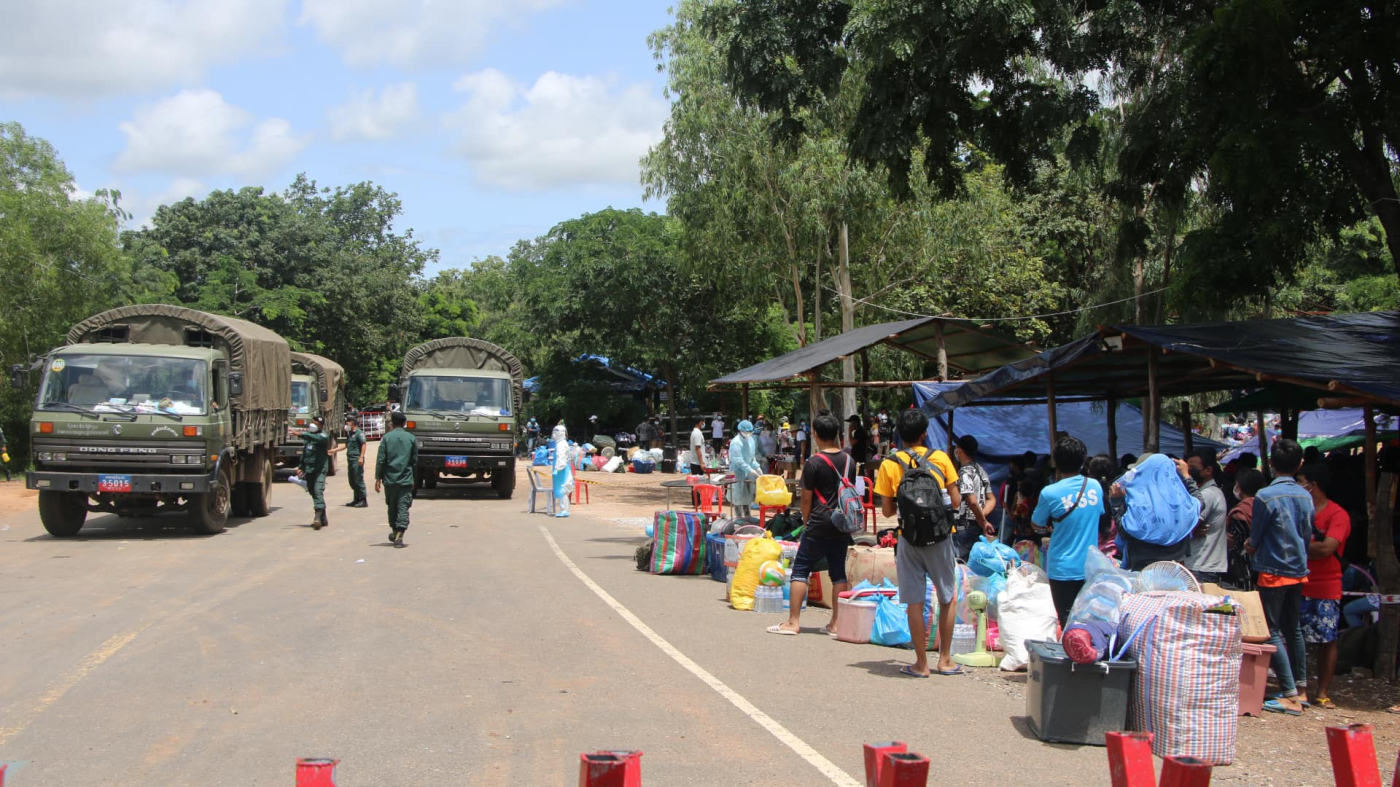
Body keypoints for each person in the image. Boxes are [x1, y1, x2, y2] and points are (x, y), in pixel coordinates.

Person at [874, 408, 964, 677]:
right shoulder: (940, 459)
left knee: (914, 601)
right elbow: (956, 501)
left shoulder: (889, 464)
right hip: (941, 536)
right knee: (947, 597)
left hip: (908, 540)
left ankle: (921, 664)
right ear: (925, 433)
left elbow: (888, 512)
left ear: (900, 435)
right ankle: (945, 660)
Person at [767, 413, 856, 636]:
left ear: (815, 434)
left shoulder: (814, 463)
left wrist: (806, 521)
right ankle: (836, 623)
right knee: (838, 574)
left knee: (800, 570)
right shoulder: (849, 461)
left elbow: (805, 498)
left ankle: (793, 622)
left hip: (818, 522)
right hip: (842, 523)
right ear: (837, 434)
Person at [1248, 439, 1313, 715]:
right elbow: (1307, 533)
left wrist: (1249, 547)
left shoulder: (1264, 496)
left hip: (1273, 570)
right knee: (1292, 628)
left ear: (1270, 464)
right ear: (1300, 465)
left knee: (1272, 630)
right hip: (1298, 569)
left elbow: (1256, 536)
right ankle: (1301, 688)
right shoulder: (1306, 495)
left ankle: (1289, 694)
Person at [1032, 436, 1107, 625]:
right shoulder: (1095, 486)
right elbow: (1099, 514)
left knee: (1067, 621)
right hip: (1090, 566)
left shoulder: (1049, 492)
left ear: (1055, 462)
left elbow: (1036, 523)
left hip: (1061, 568)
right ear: (1083, 461)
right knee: (1089, 620)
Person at [1298, 462, 1350, 710]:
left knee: (1327, 640)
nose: (1298, 486)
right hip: (1298, 584)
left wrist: (1294, 544)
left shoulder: (1338, 514)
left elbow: (1327, 548)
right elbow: (1319, 549)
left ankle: (1322, 692)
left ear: (1312, 484)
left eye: (1300, 481)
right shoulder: (1299, 511)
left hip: (1326, 586)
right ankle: (1299, 690)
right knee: (1294, 638)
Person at [1185, 449, 1229, 583]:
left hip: (1201, 566)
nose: (1188, 473)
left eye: (1192, 468)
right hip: (1203, 566)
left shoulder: (1207, 494)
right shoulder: (1212, 492)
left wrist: (1190, 531)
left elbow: (1186, 527)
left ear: (1208, 470)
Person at [375, 411, 418, 546]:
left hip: (390, 479)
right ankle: (399, 533)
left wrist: (378, 478)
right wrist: (414, 479)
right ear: (404, 423)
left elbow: (381, 460)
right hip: (405, 479)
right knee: (403, 506)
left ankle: (394, 530)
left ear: (392, 423)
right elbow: (414, 461)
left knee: (392, 506)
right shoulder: (411, 438)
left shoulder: (387, 438)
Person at [952, 435, 996, 561]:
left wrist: (981, 519)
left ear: (959, 450)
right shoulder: (981, 471)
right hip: (976, 526)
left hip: (963, 527)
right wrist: (981, 516)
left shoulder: (964, 472)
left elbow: (971, 500)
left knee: (961, 565)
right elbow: (991, 499)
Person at [1224, 468, 1265, 590]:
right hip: (1263, 564)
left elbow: (1234, 543)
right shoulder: (1264, 505)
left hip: (1244, 567)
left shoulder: (1239, 512)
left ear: (1240, 486)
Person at [296, 415, 336, 530]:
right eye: (312, 422)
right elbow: (305, 452)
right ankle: (323, 516)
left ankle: (317, 517)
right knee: (313, 491)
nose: (312, 425)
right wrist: (300, 466)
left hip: (320, 469)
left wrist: (301, 434)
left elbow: (320, 440)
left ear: (321, 426)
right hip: (309, 469)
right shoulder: (309, 437)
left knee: (318, 490)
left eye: (316, 423)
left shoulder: (323, 435)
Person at [728, 420, 761, 518]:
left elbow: (751, 457)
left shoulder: (751, 440)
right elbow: (738, 459)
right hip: (737, 470)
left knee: (747, 493)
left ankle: (747, 515)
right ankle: (738, 517)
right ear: (741, 431)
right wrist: (749, 469)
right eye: (747, 432)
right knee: (738, 494)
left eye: (750, 432)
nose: (748, 434)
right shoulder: (736, 442)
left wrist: (756, 466)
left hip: (748, 470)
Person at [342, 417, 368, 507]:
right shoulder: (350, 434)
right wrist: (333, 450)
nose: (346, 425)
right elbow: (345, 445)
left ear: (352, 423)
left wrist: (361, 457)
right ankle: (356, 499)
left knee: (358, 479)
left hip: (357, 459)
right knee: (352, 480)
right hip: (350, 460)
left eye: (347, 423)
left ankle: (363, 500)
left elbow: (364, 444)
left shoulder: (359, 433)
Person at [550, 424, 574, 518]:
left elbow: (562, 458)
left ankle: (564, 510)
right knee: (562, 490)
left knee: (562, 490)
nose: (554, 434)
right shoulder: (561, 443)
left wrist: (557, 469)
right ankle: (564, 509)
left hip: (562, 470)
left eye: (556, 432)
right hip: (562, 469)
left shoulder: (561, 445)